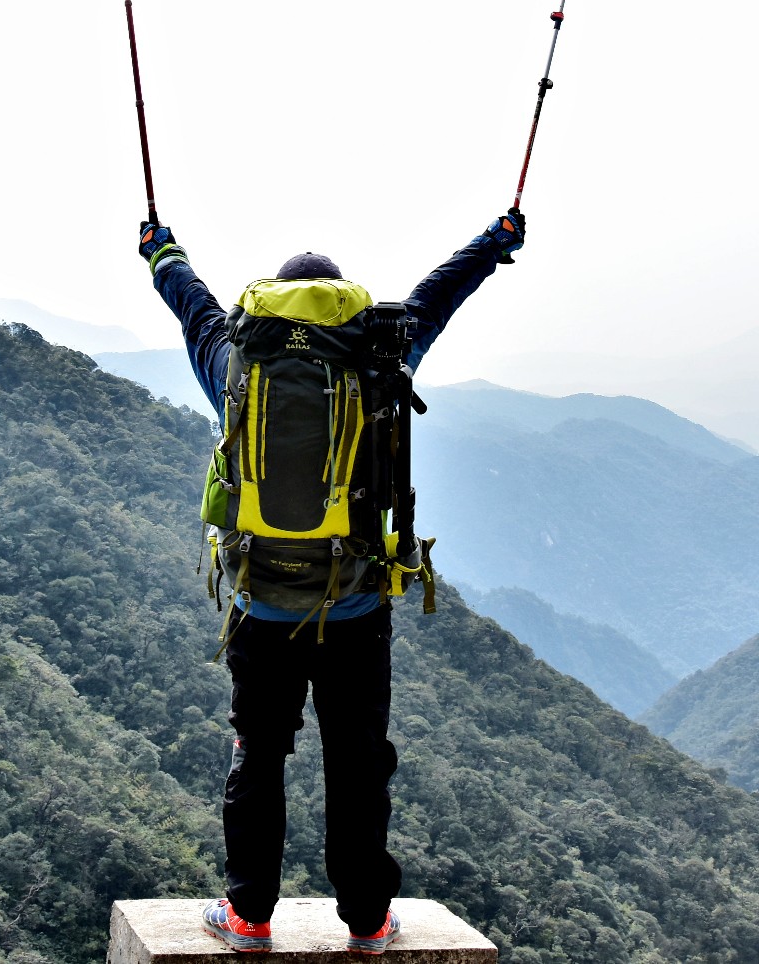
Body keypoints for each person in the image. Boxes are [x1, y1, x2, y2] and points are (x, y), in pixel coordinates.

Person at [137, 210, 526, 955]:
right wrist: (496, 242)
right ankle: (369, 921)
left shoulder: (237, 357)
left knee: (258, 752)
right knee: (356, 760)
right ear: (339, 305)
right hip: (355, 605)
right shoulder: (376, 352)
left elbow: (190, 300)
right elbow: (441, 293)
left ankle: (248, 916)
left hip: (261, 604)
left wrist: (160, 249)